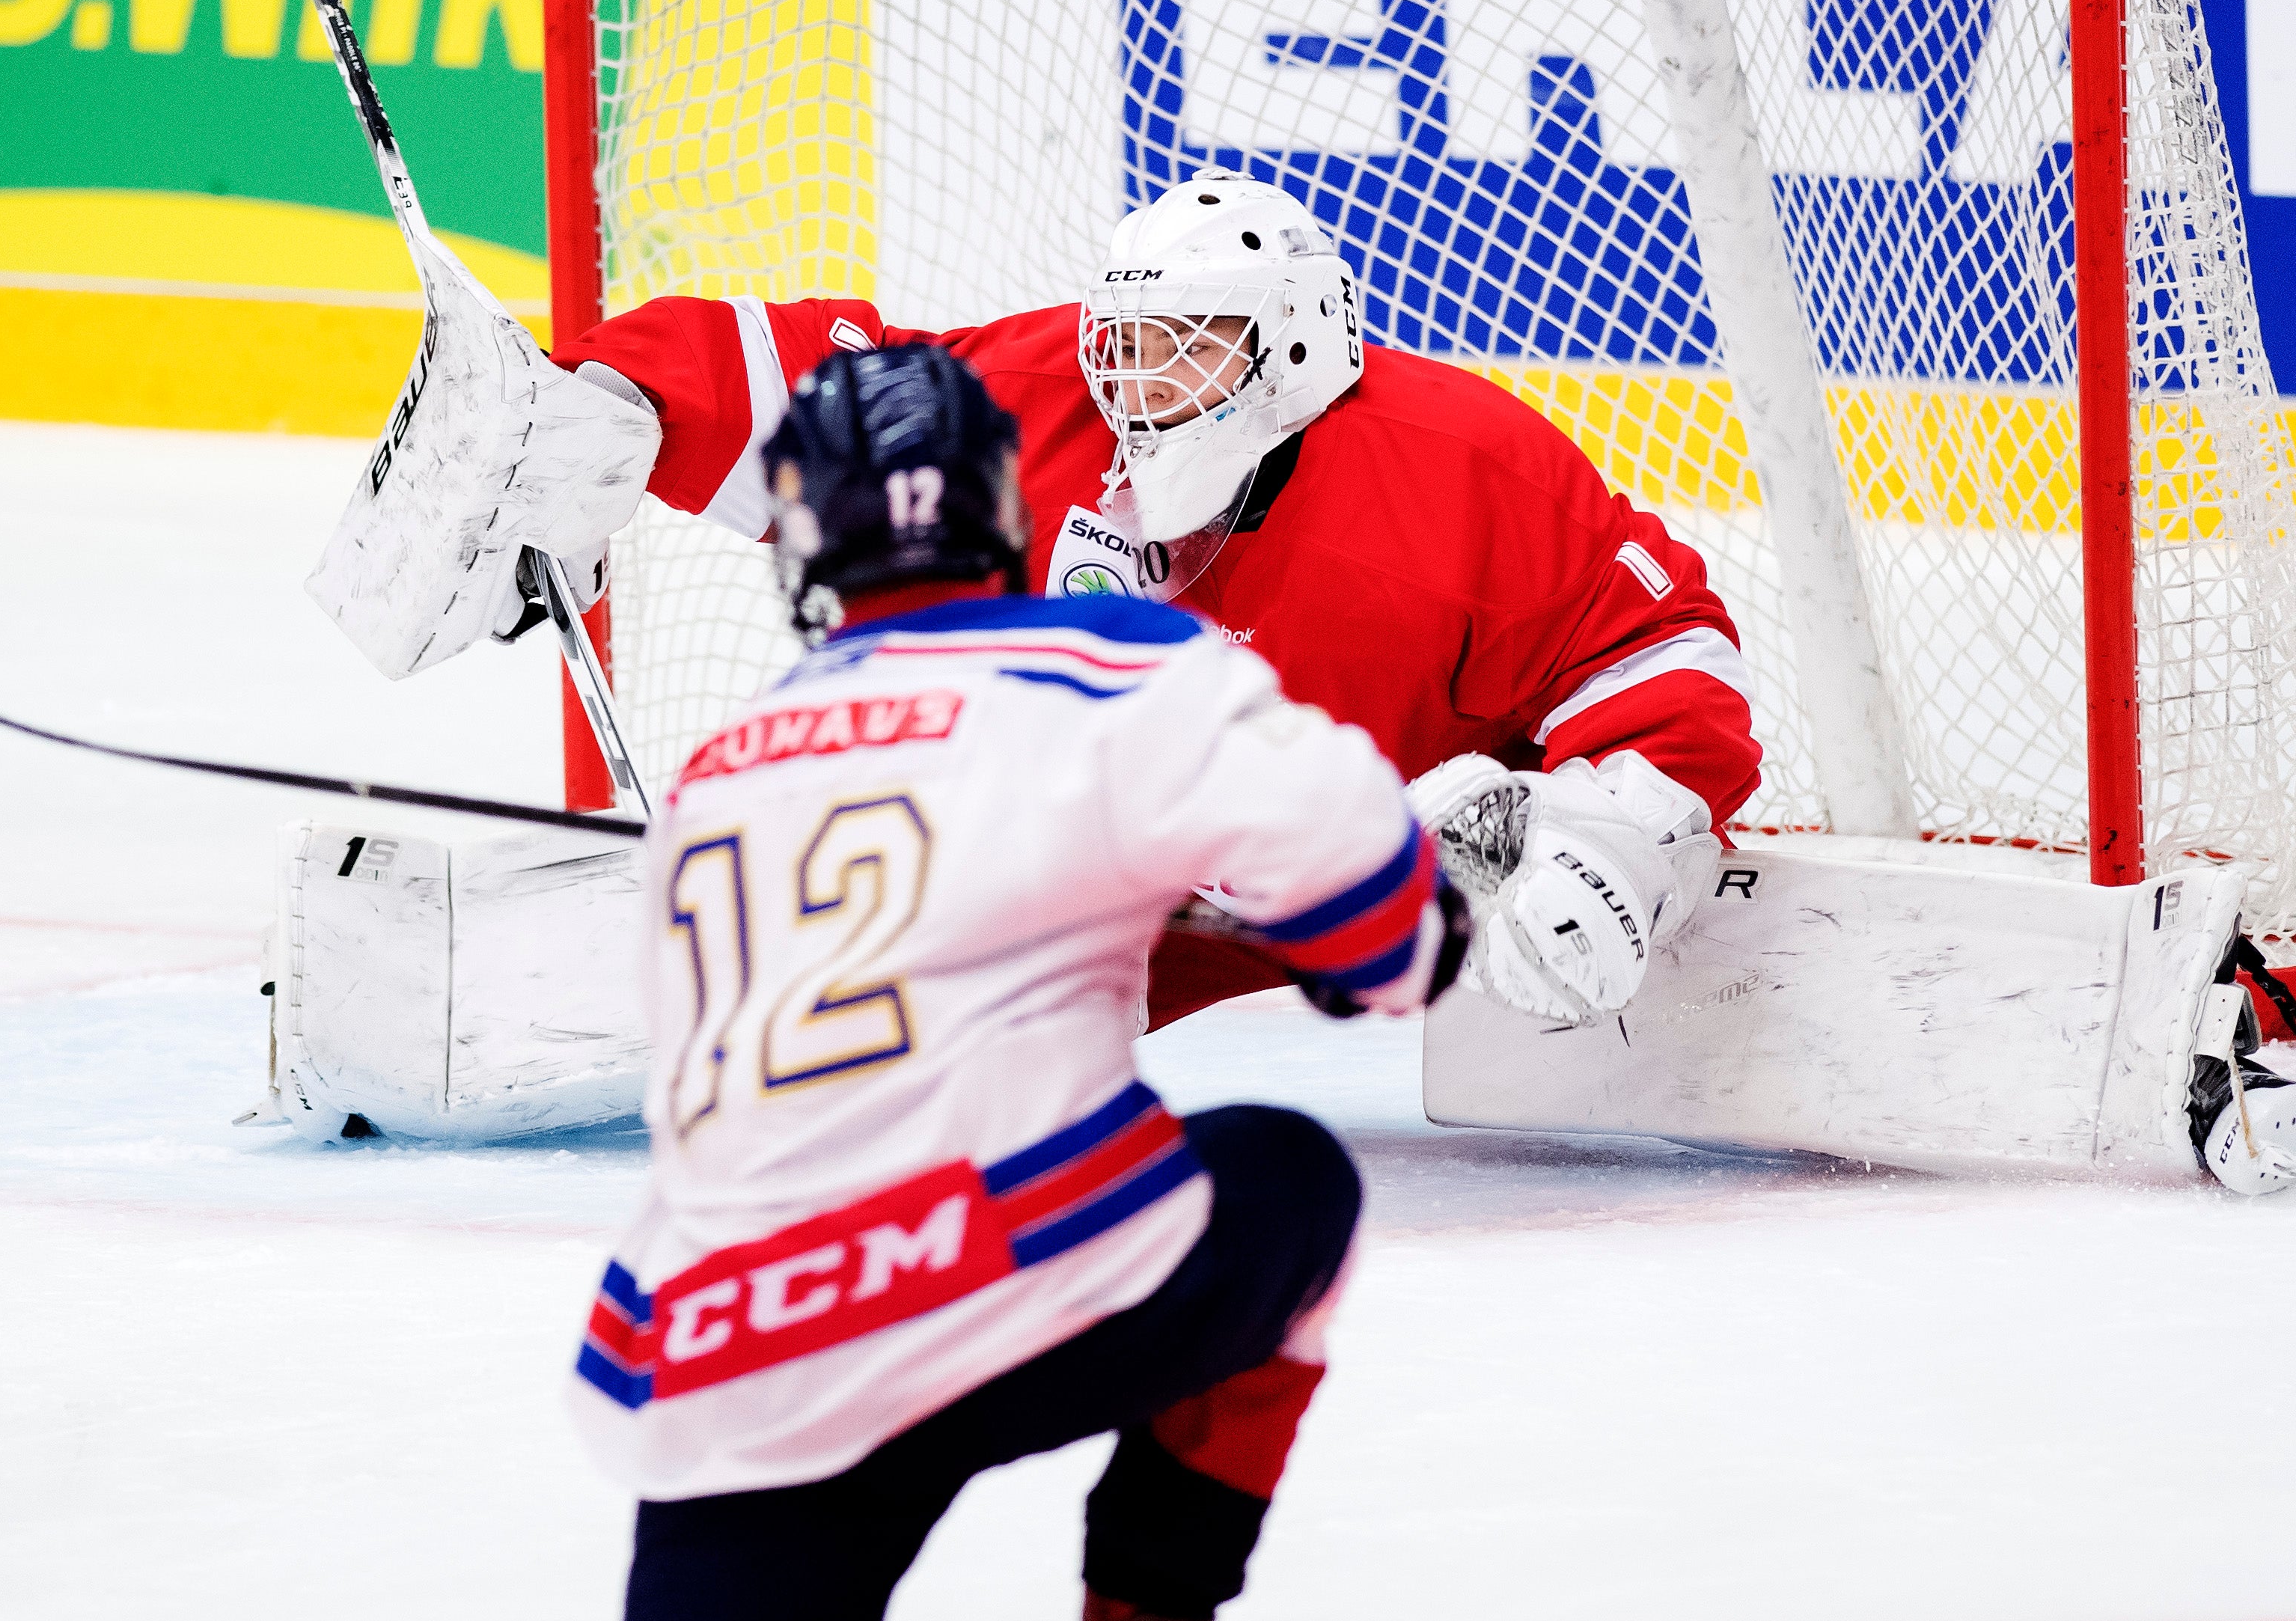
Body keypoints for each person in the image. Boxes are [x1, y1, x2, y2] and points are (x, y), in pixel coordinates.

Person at [321, 342, 1469, 1621]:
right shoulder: (1114, 668)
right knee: (1288, 1184)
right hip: (1006, 1274)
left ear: (799, 544)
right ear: (1003, 507)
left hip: (724, 1342)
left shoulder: (725, 771)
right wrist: (1385, 919)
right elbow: (1386, 931)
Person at [554, 175, 1760, 1032]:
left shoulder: (1460, 467)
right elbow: (822, 385)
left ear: (1291, 345)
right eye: (1120, 345)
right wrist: (617, 405)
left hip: (1366, 915)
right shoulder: (1044, 400)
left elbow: (1660, 652)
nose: (1133, 383)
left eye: (1181, 346)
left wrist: (1608, 837)